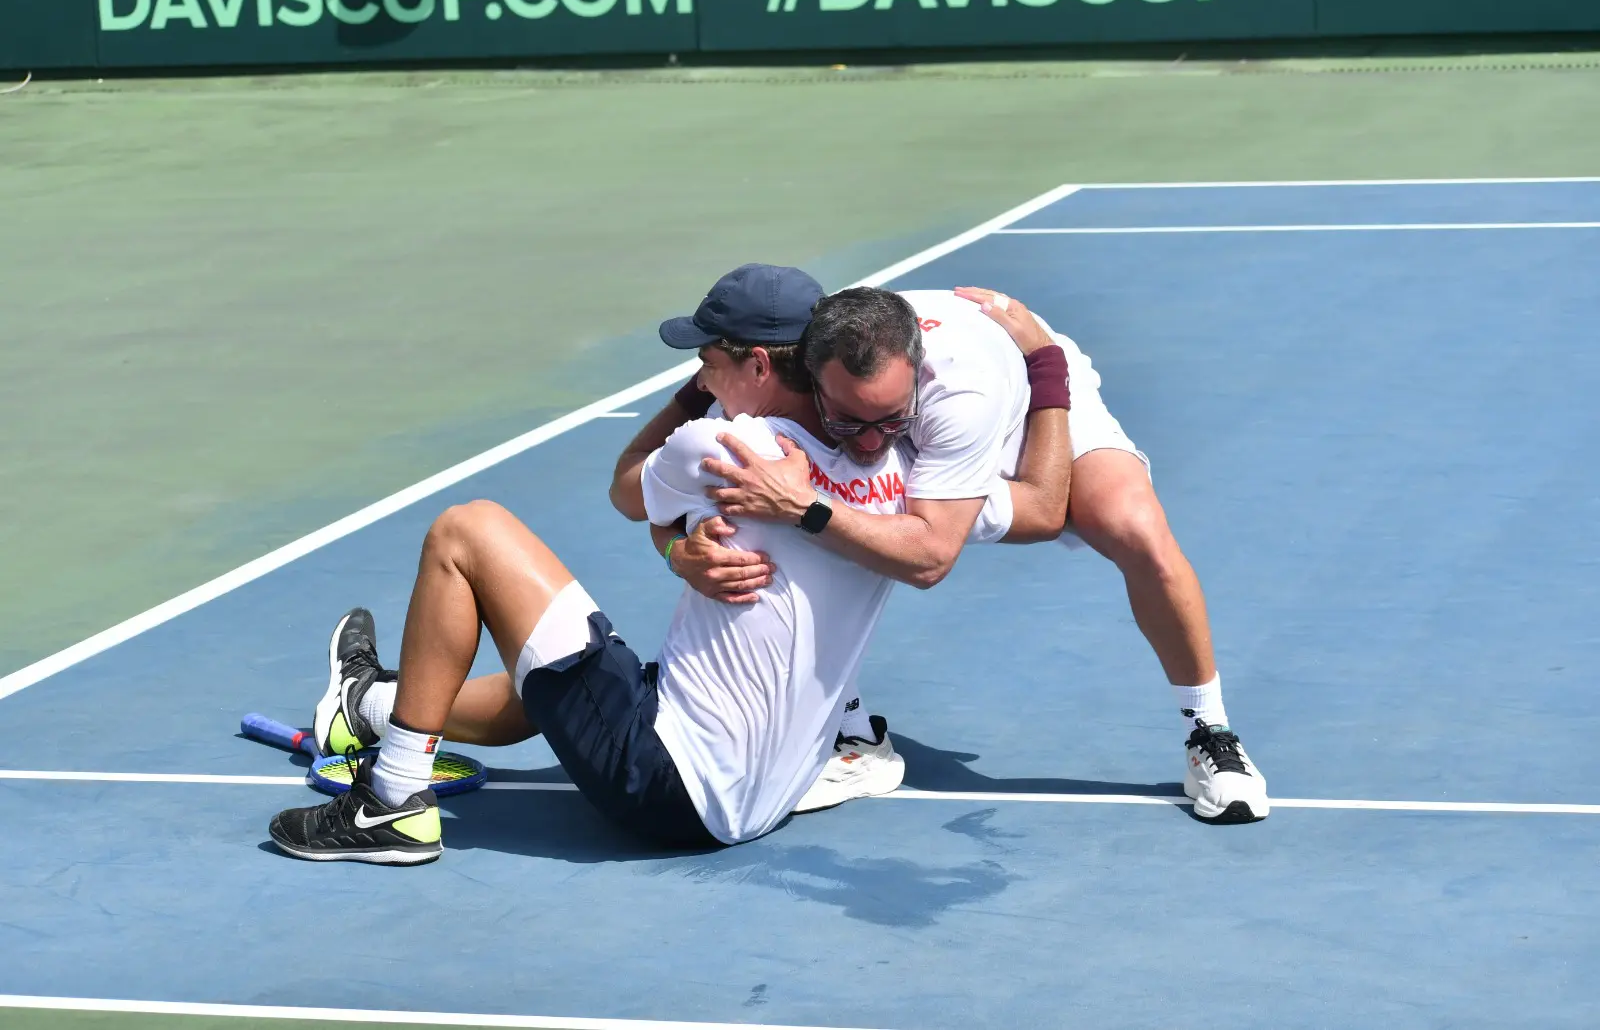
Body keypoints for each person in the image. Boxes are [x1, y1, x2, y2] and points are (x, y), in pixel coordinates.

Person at [269, 265, 1069, 863]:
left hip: (668, 784)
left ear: (757, 364)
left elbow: (625, 487)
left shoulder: (726, 445)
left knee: (467, 531)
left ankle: (391, 803)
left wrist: (692, 426)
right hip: (767, 798)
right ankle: (366, 706)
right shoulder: (904, 479)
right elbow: (1041, 505)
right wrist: (1045, 364)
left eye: (708, 359)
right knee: (552, 673)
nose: (697, 373)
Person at [628, 277, 1269, 824]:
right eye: (849, 422)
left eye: (886, 425)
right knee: (823, 518)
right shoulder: (788, 375)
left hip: (1023, 394)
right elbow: (634, 491)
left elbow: (1023, 520)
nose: (871, 445)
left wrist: (1043, 363)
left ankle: (1209, 730)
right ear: (806, 378)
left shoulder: (956, 401)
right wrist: (679, 548)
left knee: (1131, 527)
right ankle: (853, 732)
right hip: (893, 408)